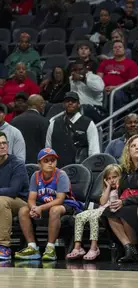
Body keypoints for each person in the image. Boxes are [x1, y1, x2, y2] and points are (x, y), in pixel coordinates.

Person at [15, 148, 84, 261]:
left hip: (66, 204)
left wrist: (40, 208)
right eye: (46, 160)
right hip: (43, 204)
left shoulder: (61, 175)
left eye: (53, 160)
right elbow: (31, 198)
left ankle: (50, 249)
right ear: (39, 164)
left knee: (55, 210)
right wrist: (33, 208)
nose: (50, 163)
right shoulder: (36, 176)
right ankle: (32, 247)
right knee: (23, 210)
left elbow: (60, 199)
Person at [104, 135, 138, 263]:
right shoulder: (125, 169)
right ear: (128, 151)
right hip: (129, 202)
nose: (137, 148)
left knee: (125, 211)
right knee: (110, 211)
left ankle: (133, 247)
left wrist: (124, 202)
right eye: (133, 146)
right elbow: (121, 191)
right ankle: (129, 247)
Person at [66, 164, 121, 261]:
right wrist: (107, 188)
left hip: (109, 212)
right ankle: (78, 247)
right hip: (100, 209)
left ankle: (94, 247)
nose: (112, 180)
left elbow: (113, 203)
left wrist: (118, 187)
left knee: (93, 217)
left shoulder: (120, 190)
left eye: (115, 177)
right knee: (79, 216)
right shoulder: (107, 190)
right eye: (108, 178)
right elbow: (102, 202)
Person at [0, 131, 29, 260]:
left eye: (4, 143)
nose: (2, 146)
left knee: (1, 201)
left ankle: (4, 246)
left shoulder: (17, 164)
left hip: (20, 202)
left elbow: (13, 191)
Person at [11, 95, 48, 164]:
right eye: (43, 103)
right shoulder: (44, 122)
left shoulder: (14, 121)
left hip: (17, 162)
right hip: (38, 162)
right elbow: (46, 145)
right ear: (40, 105)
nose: (44, 106)